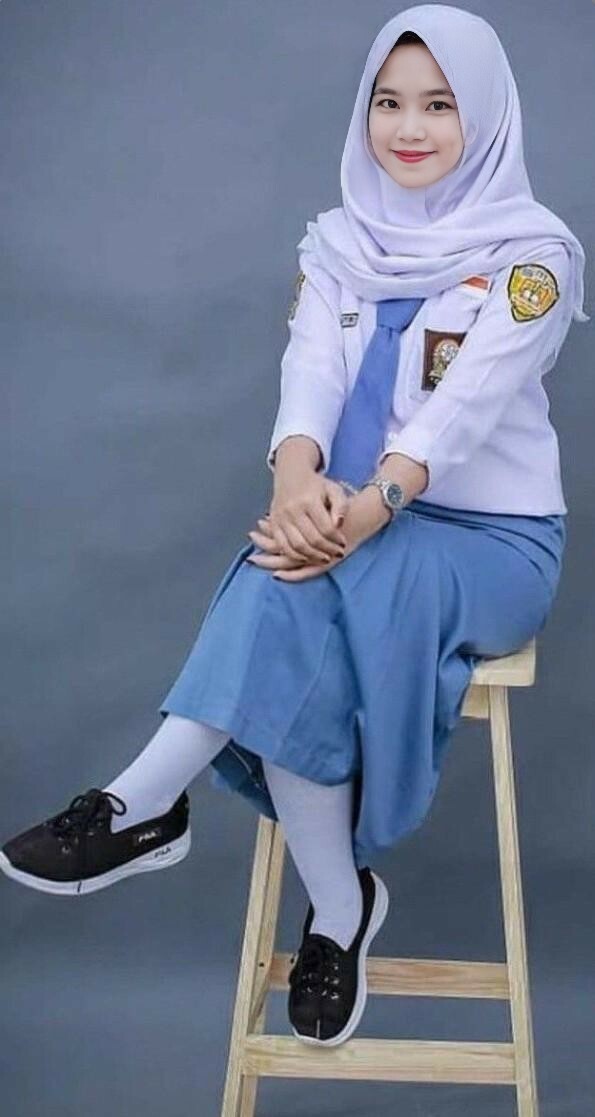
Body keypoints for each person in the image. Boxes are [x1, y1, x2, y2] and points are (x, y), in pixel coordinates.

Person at [0, 4, 588, 1050]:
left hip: (490, 541)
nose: (408, 128)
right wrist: (293, 481)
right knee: (296, 583)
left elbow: (463, 409)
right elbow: (309, 373)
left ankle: (144, 805)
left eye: (439, 105)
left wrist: (364, 509)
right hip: (350, 517)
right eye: (388, 103)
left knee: (301, 578)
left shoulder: (532, 258)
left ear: (486, 117)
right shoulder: (338, 244)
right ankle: (334, 907)